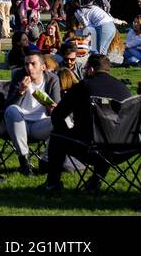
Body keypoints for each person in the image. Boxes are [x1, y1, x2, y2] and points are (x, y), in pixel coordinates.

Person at [43, 53, 133, 193]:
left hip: (91, 147)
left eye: (85, 69)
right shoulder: (123, 88)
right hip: (124, 149)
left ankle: (52, 183)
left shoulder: (83, 86)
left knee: (57, 136)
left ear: (91, 70)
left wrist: (68, 130)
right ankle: (95, 181)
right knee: (107, 134)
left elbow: (57, 115)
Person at [3, 51, 61, 176]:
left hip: (40, 125)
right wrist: (20, 92)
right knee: (12, 110)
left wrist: (52, 108)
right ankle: (24, 161)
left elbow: (58, 108)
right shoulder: (19, 77)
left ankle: (46, 161)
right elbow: (7, 107)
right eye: (26, 64)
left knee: (62, 120)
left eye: (33, 64)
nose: (29, 68)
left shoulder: (52, 79)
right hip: (19, 123)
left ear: (43, 67)